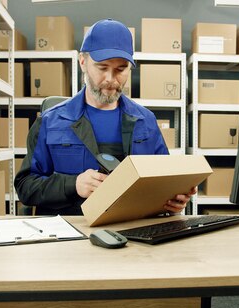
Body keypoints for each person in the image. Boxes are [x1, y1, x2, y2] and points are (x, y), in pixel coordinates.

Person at [14, 18, 196, 216]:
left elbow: (163, 180)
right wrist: (73, 184)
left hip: (132, 230)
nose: (111, 79)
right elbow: (25, 187)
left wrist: (174, 200)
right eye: (102, 68)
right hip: (72, 232)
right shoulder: (50, 121)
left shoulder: (146, 121)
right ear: (83, 62)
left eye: (121, 69)